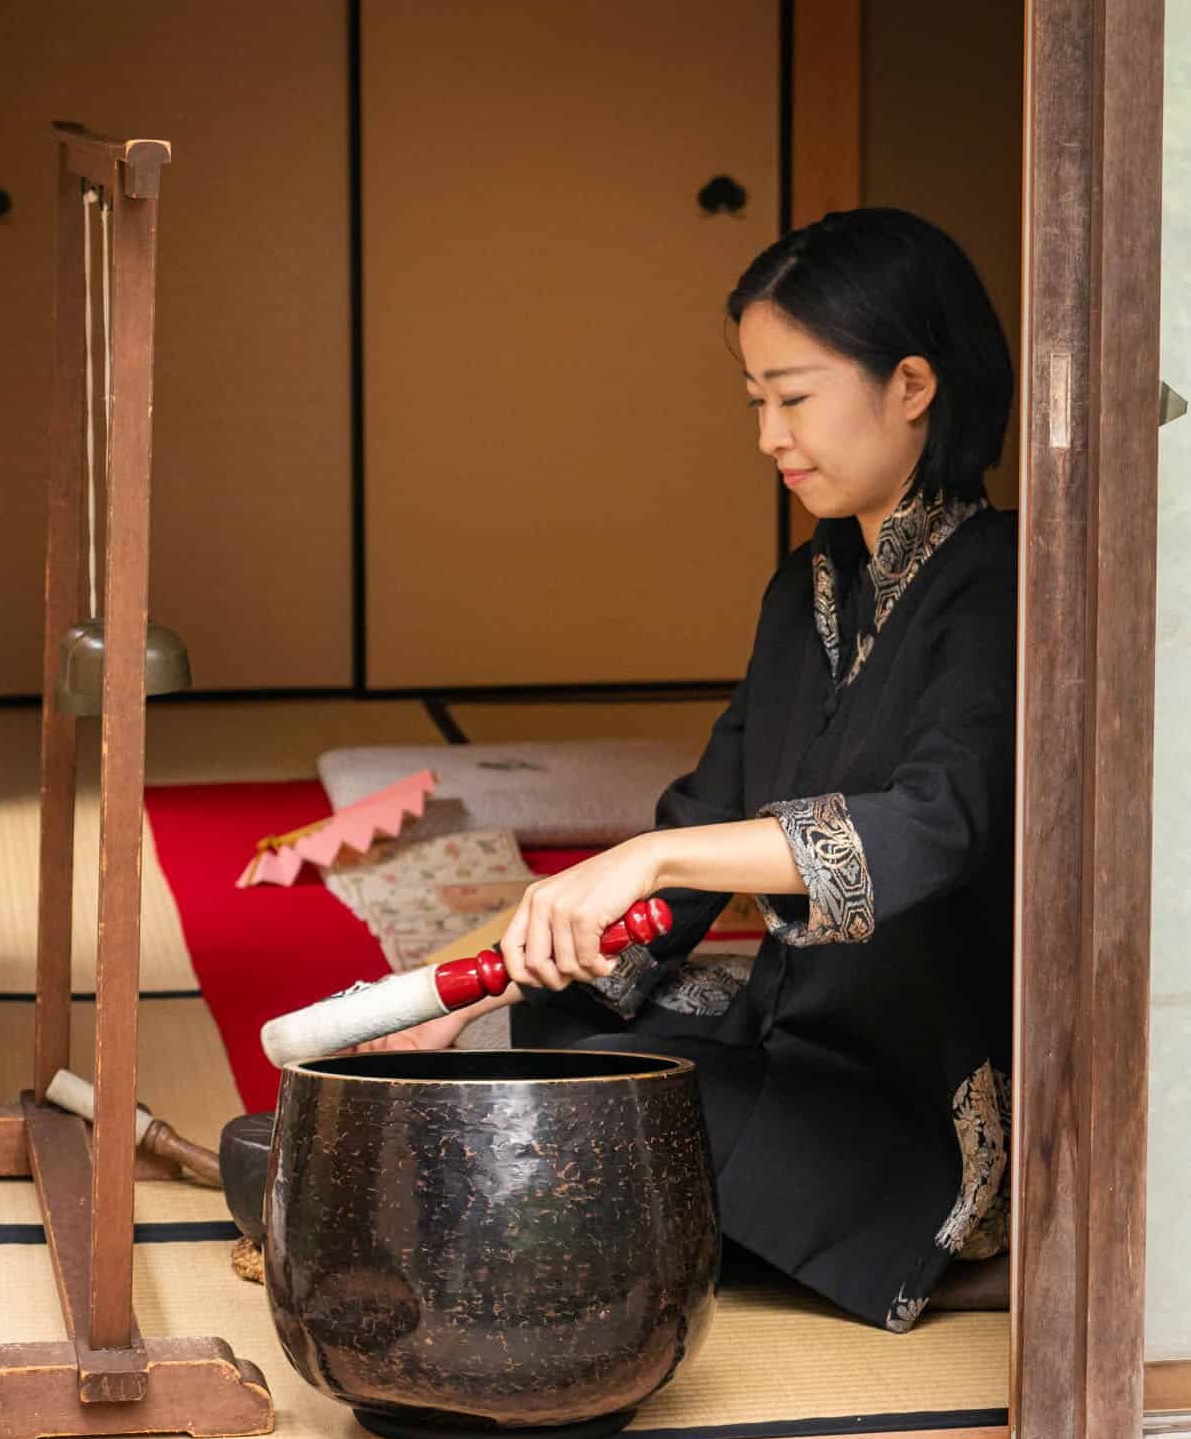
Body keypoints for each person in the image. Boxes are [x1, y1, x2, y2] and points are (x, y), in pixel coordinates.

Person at [369, 207, 1017, 1334]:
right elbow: (706, 832)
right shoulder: (804, 592)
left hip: (922, 1091)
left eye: (795, 396)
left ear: (911, 385)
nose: (769, 433)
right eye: (756, 401)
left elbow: (931, 826)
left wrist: (653, 852)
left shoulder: (1000, 584)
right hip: (800, 1035)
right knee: (563, 1026)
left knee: (610, 1119)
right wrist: (451, 988)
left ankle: (945, 1251)